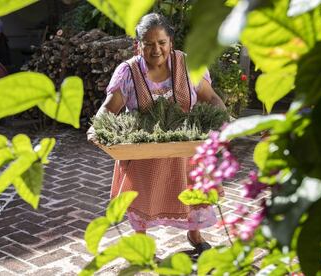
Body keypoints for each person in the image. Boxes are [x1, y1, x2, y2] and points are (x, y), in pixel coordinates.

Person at [87, 13, 226, 256]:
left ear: (171, 42)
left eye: (161, 42)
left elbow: (212, 98)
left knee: (191, 193)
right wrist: (96, 127)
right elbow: (108, 109)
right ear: (137, 45)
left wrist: (223, 120)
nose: (156, 49)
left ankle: (195, 234)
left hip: (185, 148)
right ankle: (142, 242)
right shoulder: (128, 72)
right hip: (144, 151)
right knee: (143, 197)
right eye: (148, 44)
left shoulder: (189, 66)